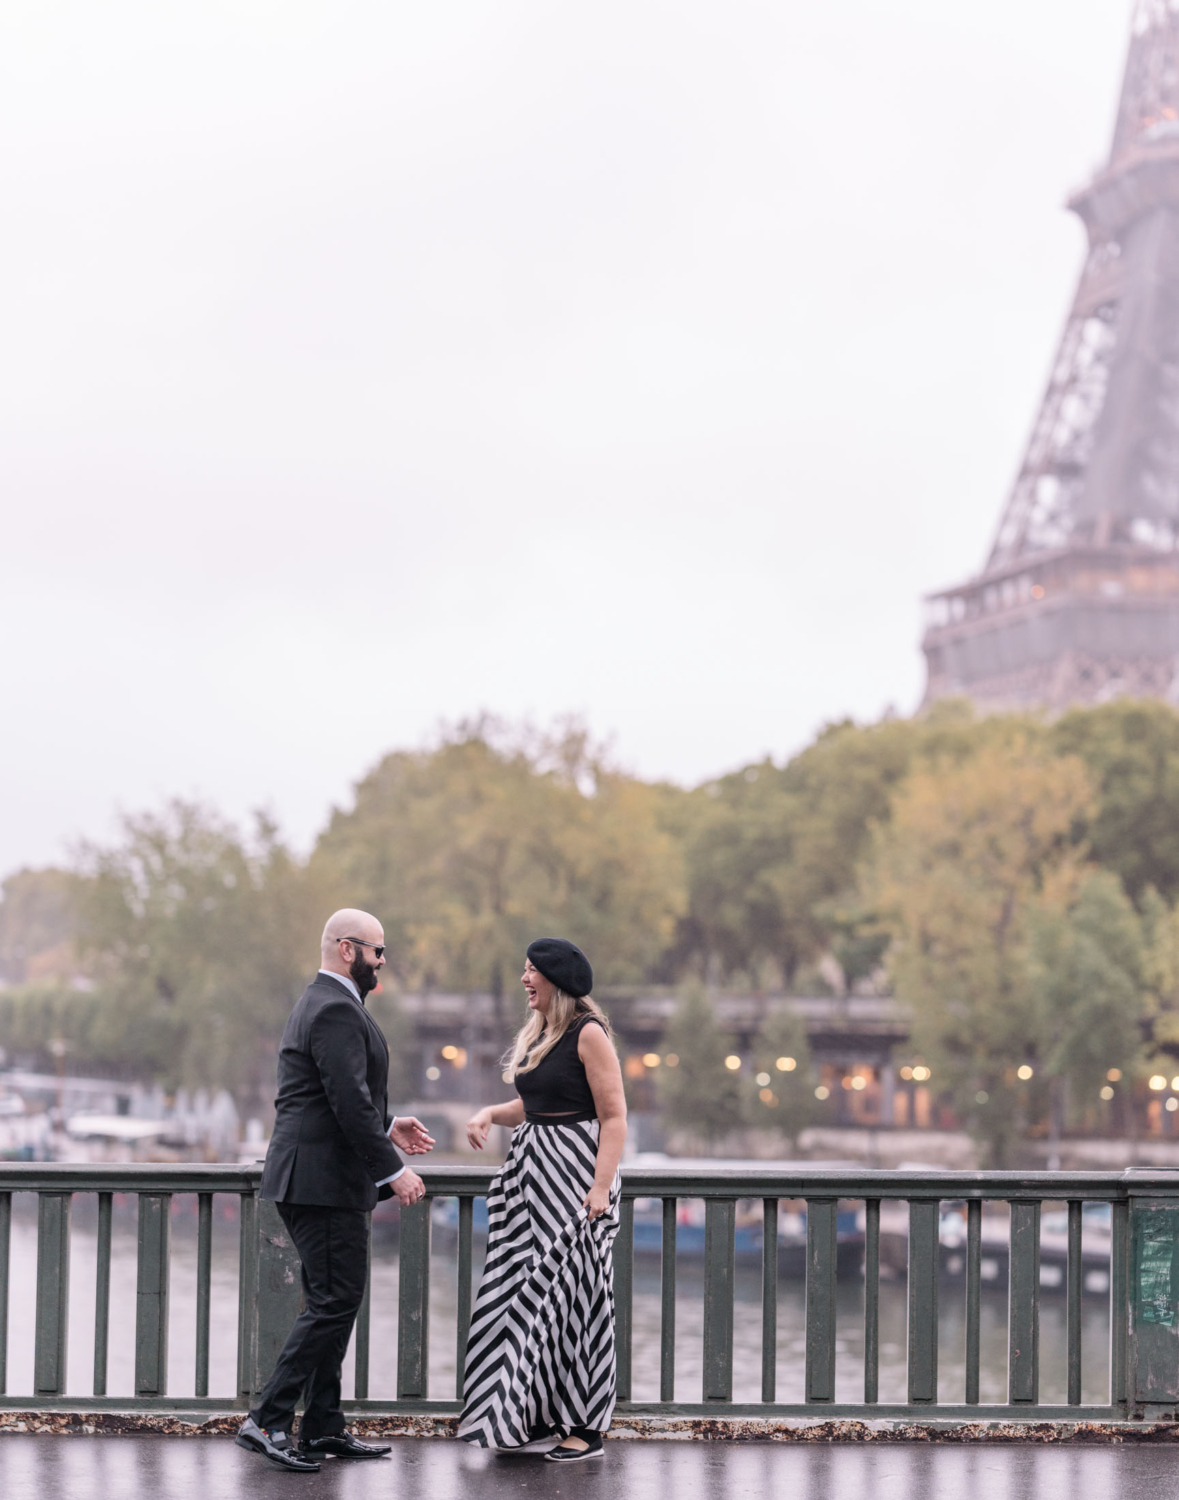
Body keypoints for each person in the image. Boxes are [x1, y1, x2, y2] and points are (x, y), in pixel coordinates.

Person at [236, 908, 435, 1473]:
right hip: (320, 1182)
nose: (382, 961)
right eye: (377, 950)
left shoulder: (329, 1004)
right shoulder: (333, 1008)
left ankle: (322, 1426)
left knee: (333, 1301)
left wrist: (387, 1123)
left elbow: (339, 1096)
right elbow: (345, 1102)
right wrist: (393, 1170)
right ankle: (268, 1419)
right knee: (333, 1302)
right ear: (348, 949)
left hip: (321, 1178)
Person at [458, 937, 627, 1463]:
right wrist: (490, 1112)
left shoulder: (588, 1033)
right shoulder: (545, 1034)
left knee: (579, 1300)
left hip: (576, 1181)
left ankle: (588, 1428)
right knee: (525, 1298)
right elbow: (535, 1106)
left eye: (532, 972)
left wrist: (599, 1188)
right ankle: (526, 1414)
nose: (524, 980)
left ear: (556, 980)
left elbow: (615, 1117)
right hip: (533, 1182)